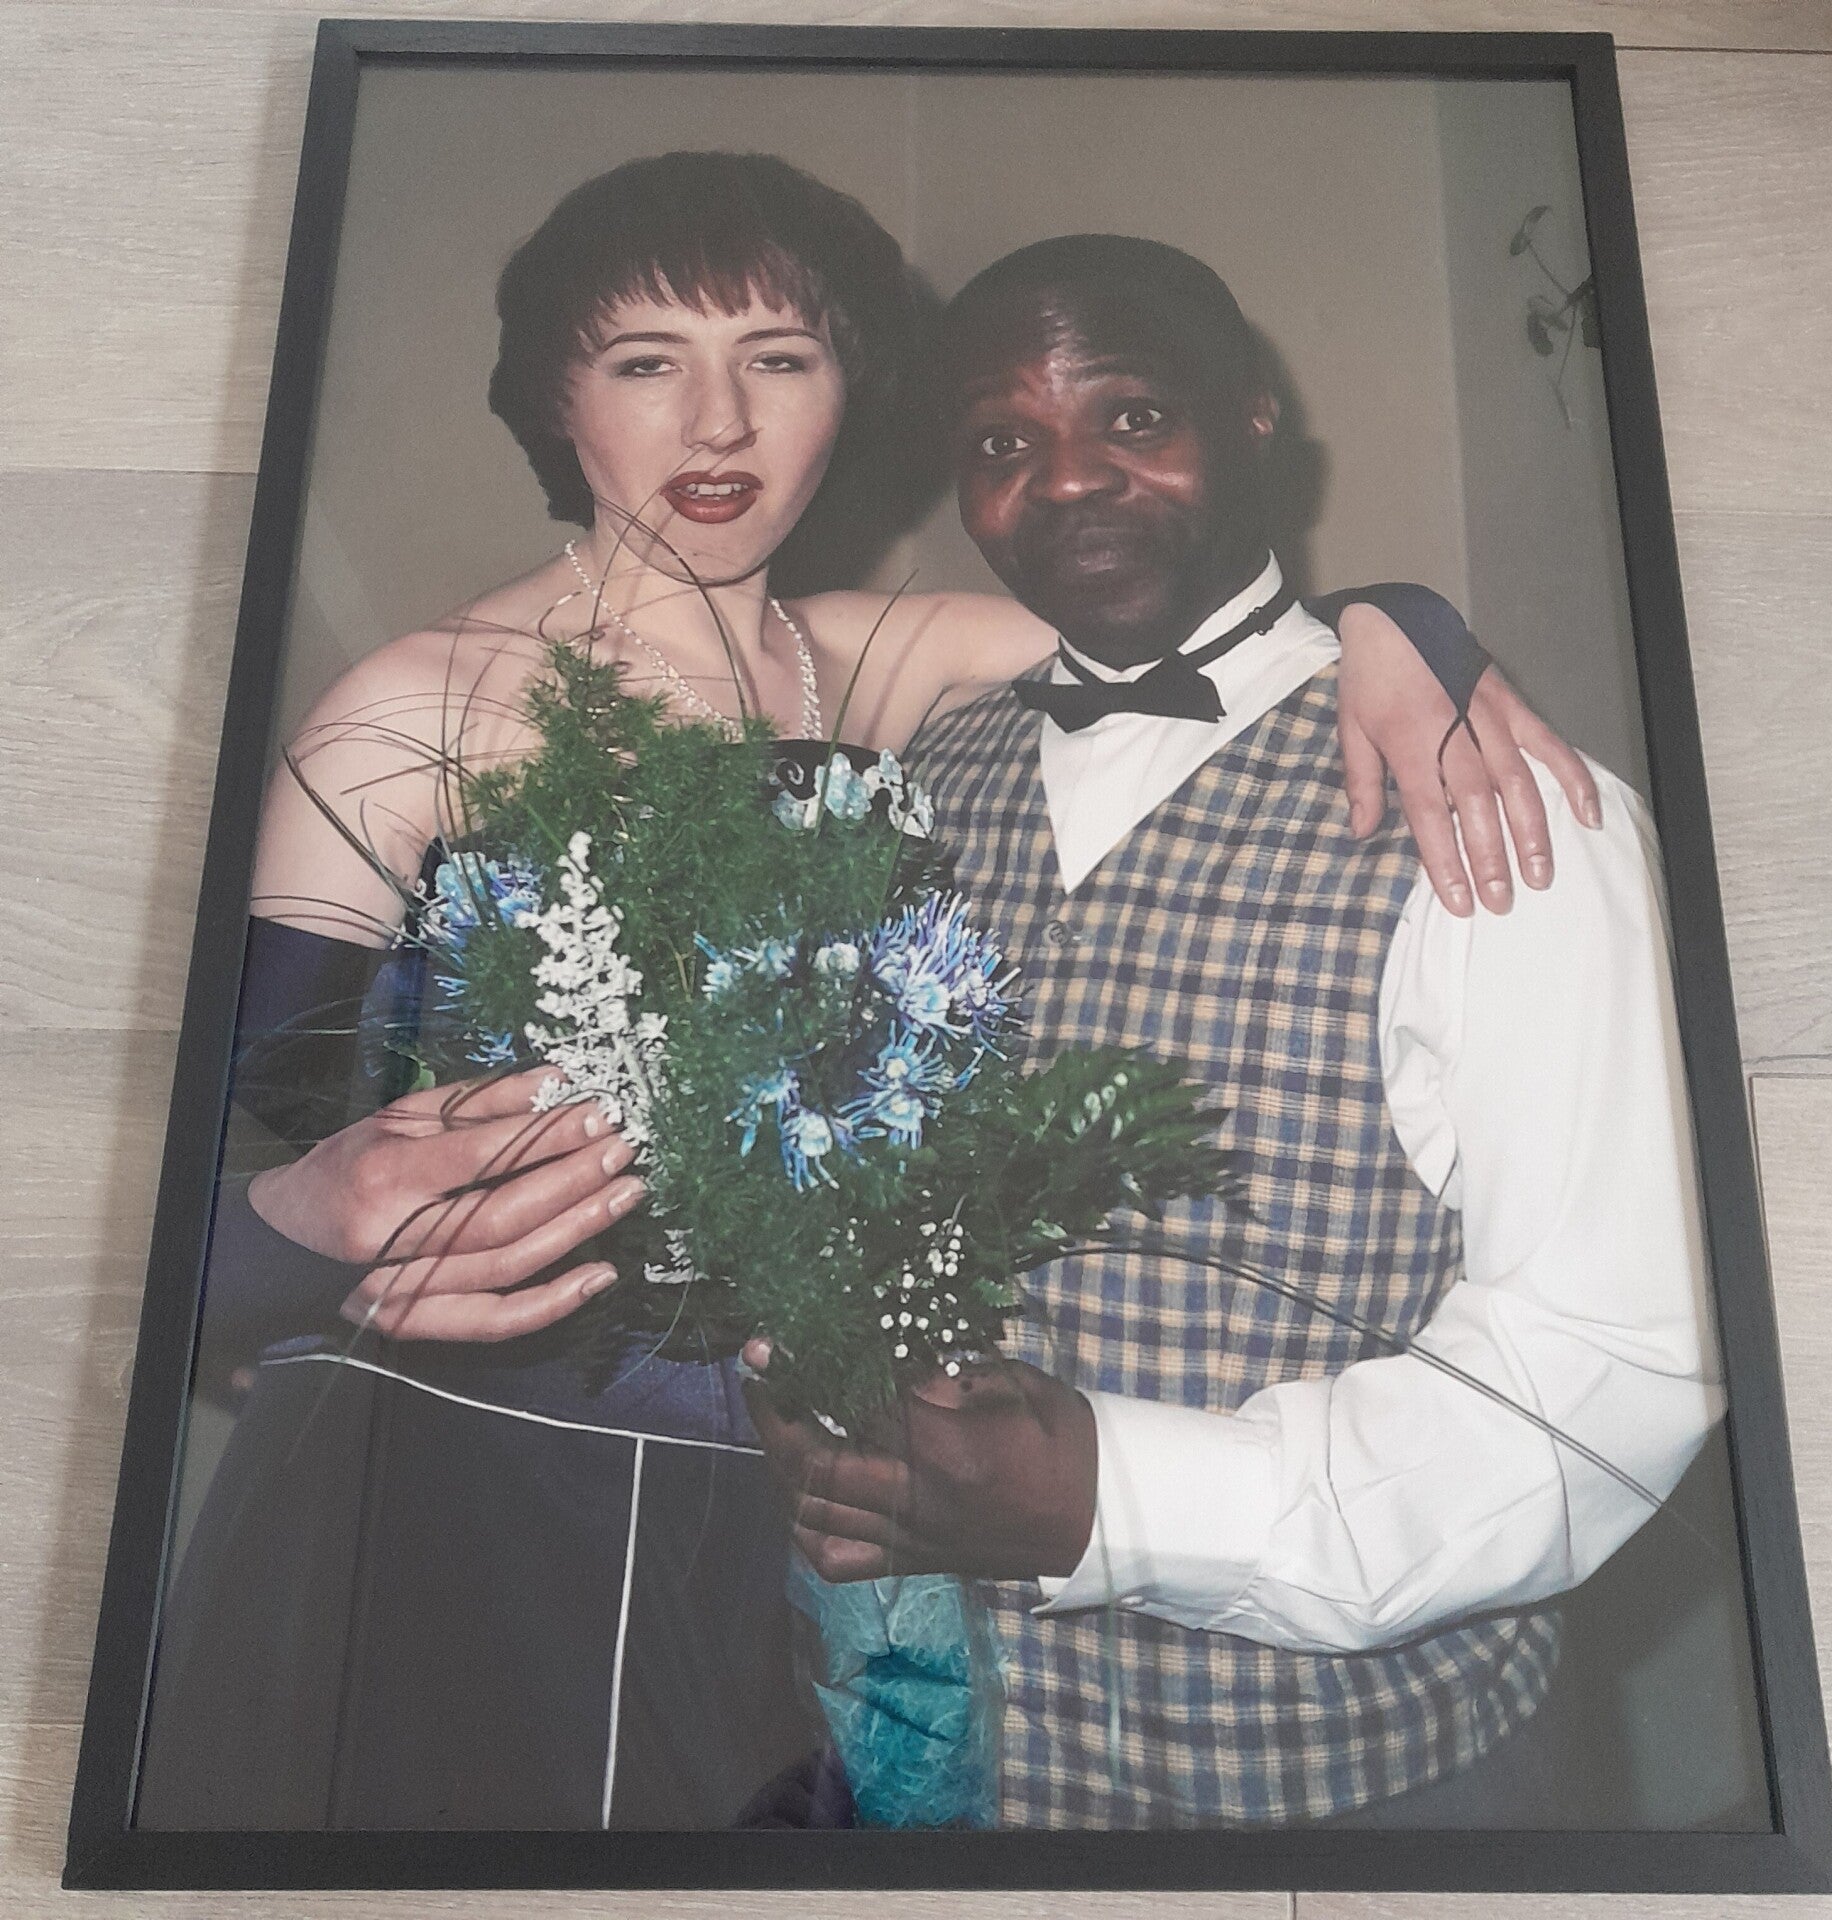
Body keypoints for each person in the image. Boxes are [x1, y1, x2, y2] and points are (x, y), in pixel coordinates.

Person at [138, 158, 1596, 1832]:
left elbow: (1203, 623)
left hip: (836, 1522)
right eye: (645, 362)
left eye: (779, 357)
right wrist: (303, 1224)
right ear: (554, 398)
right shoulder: (411, 706)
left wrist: (1405, 627)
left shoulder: (887, 657)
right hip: (495, 1495)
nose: (718, 421)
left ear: (849, 393)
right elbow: (203, 1192)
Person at [745, 234, 1724, 1830]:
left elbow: (1611, 1371)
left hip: (1362, 1791)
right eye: (1002, 443)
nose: (1068, 479)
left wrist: (1117, 1496)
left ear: (1256, 415)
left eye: (1133, 417)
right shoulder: (920, 777)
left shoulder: (1497, 802)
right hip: (939, 1770)